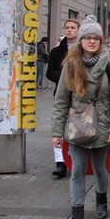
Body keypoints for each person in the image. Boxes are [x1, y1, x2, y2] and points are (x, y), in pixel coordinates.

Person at [51, 16, 110, 219]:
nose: (92, 42)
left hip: (102, 125)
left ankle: (101, 201)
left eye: (96, 38)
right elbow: (61, 101)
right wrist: (56, 131)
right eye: (87, 38)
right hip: (77, 126)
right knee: (77, 171)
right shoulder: (71, 65)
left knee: (100, 169)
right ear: (81, 40)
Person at [46, 18, 80, 178]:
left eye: (73, 27)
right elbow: (49, 72)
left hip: (80, 96)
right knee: (59, 126)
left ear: (78, 30)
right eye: (67, 27)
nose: (69, 30)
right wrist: (65, 76)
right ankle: (60, 163)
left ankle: (74, 159)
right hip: (62, 93)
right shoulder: (56, 52)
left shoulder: (83, 49)